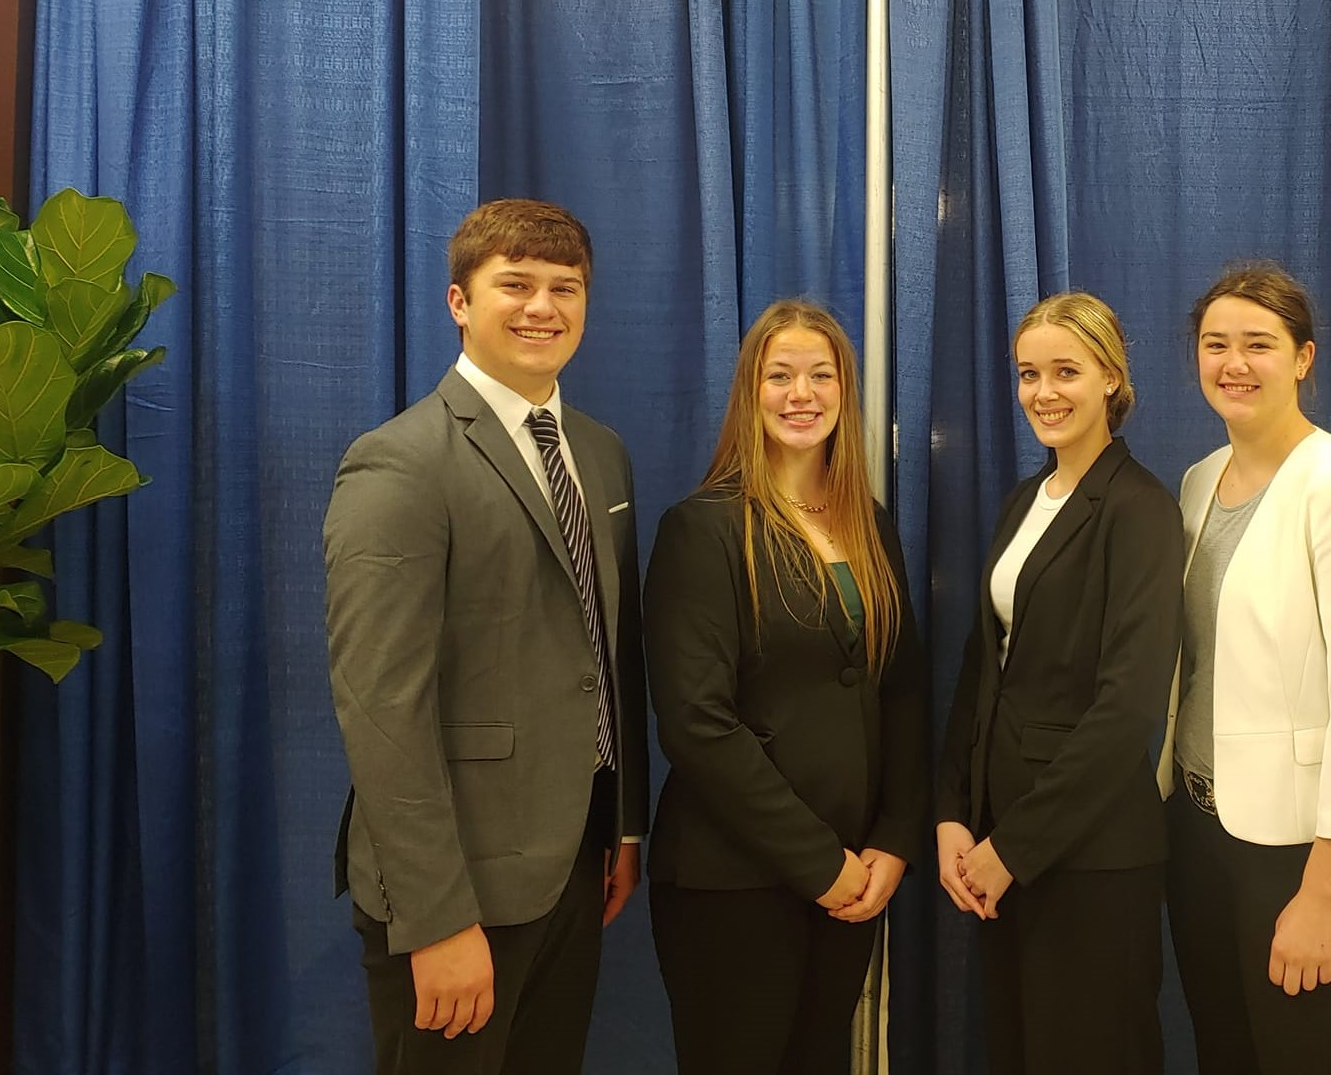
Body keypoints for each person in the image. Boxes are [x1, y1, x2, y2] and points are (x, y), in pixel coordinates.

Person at [324, 198, 647, 1074]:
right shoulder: (400, 461)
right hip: (457, 888)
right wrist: (435, 917)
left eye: (564, 287)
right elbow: (380, 705)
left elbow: (608, 657)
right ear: (459, 302)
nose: (543, 305)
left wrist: (622, 827)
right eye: (515, 284)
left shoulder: (599, 450)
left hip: (577, 861)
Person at [1162, 262, 1331, 1075]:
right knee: (1226, 1051)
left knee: (1304, 1056)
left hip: (1308, 843)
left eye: (1258, 344)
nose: (1233, 363)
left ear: (1304, 357)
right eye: (1216, 344)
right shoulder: (1197, 483)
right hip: (1203, 821)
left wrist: (1322, 894)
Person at [644, 299, 926, 1075]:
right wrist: (819, 862)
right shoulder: (701, 528)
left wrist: (894, 839)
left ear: (844, 390)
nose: (801, 394)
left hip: (856, 875)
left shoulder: (867, 523)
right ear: (750, 391)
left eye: (819, 374)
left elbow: (899, 689)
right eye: (780, 376)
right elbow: (697, 722)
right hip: (733, 878)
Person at [936, 291, 1183, 1074]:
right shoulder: (1024, 500)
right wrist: (951, 814)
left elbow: (1128, 706)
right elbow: (983, 668)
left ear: (1110, 377)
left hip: (1090, 856)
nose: (1043, 392)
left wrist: (1015, 846)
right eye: (1027, 373)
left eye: (1066, 371)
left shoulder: (1139, 509)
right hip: (996, 842)